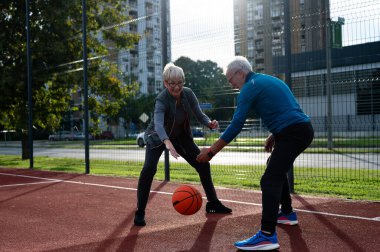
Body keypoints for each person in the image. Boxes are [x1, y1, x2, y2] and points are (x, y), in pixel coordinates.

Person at [196, 56, 314, 250]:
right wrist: (274, 135)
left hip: (293, 133)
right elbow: (286, 109)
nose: (231, 85)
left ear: (240, 73)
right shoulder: (269, 80)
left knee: (269, 179)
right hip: (300, 129)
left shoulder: (249, 88)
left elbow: (236, 125)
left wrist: (210, 152)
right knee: (274, 168)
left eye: (230, 79)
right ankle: (287, 214)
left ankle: (267, 235)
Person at [134, 62, 232, 226]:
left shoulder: (188, 94)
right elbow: (158, 124)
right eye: (172, 84)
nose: (177, 87)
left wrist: (209, 123)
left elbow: (200, 114)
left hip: (180, 137)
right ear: (166, 83)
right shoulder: (161, 100)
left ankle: (213, 203)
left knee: (203, 164)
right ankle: (140, 212)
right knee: (149, 169)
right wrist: (167, 142)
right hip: (157, 137)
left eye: (180, 83)